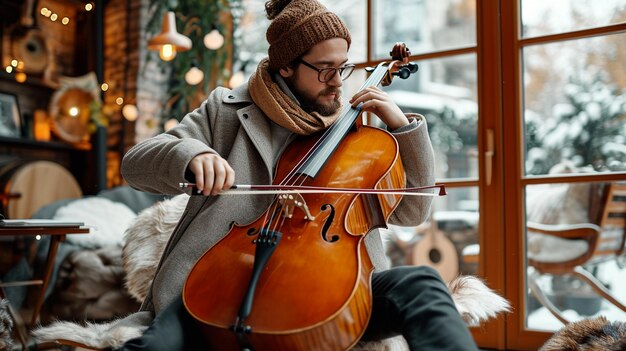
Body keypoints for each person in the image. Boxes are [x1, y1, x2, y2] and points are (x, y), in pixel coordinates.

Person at [118, 0, 478, 350]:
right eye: (324, 69)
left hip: (330, 286)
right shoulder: (225, 110)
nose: (338, 82)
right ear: (286, 66)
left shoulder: (353, 134)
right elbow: (135, 165)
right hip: (223, 280)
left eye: (343, 67)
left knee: (422, 283)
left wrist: (403, 129)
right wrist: (191, 153)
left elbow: (412, 212)